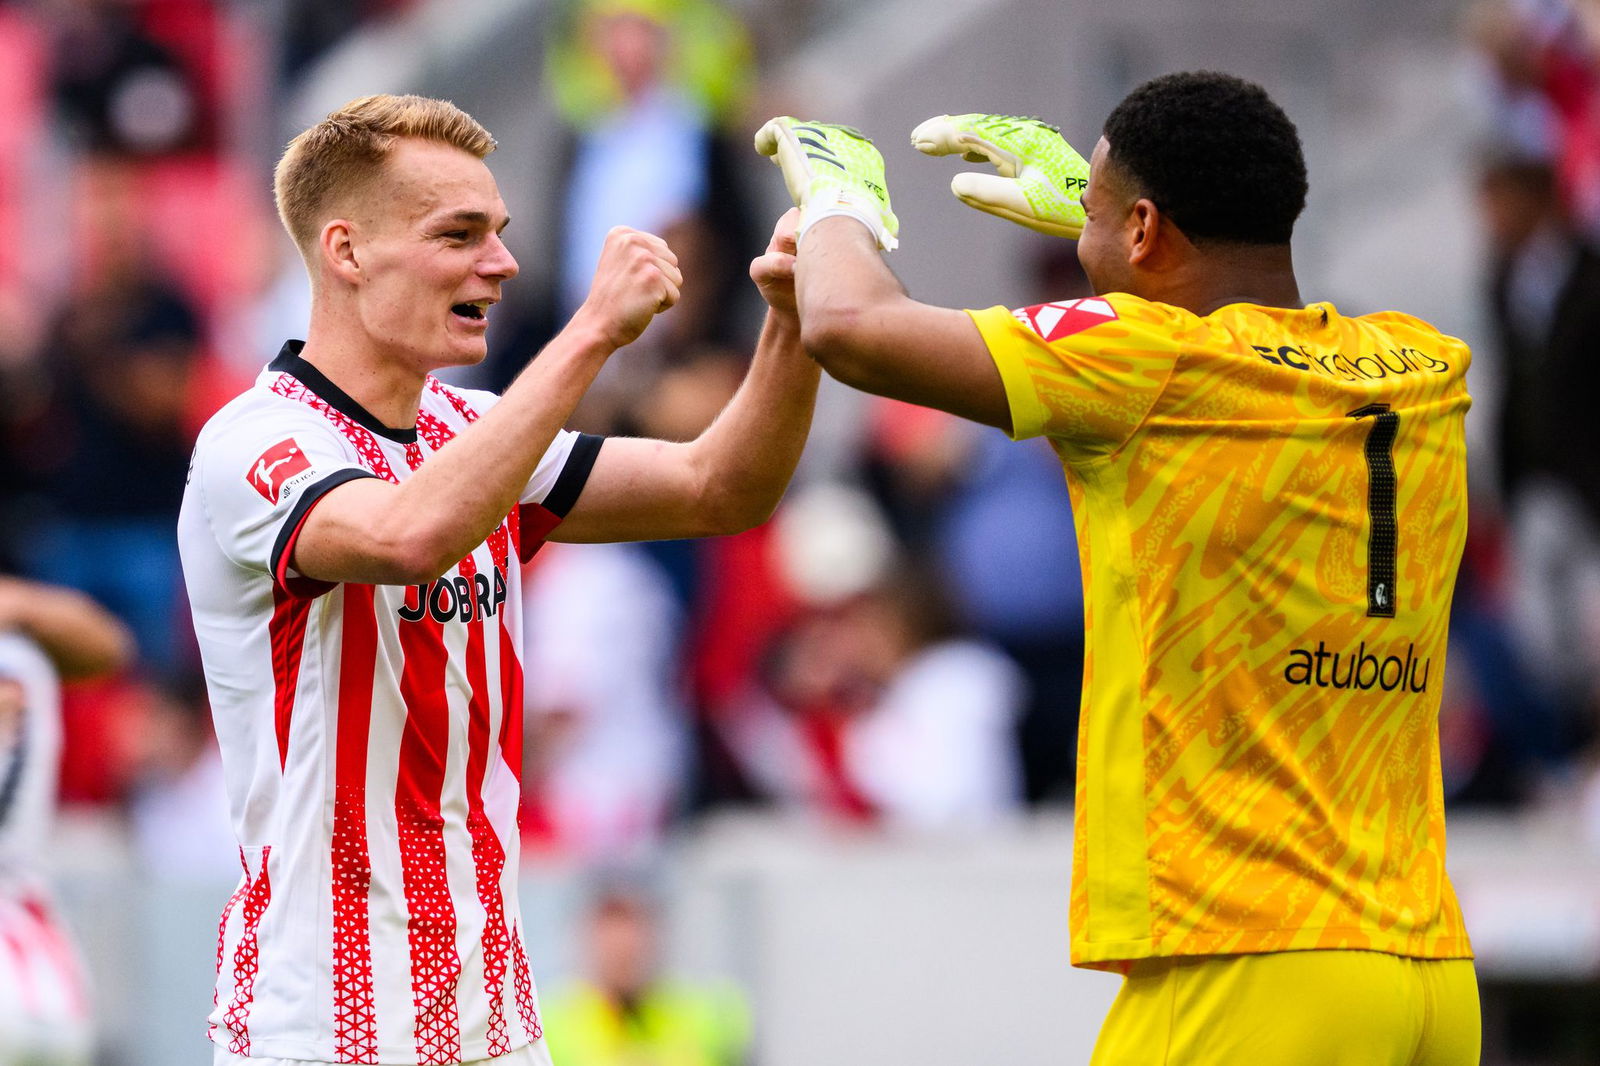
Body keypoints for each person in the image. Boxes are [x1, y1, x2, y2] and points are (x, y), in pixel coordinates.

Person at [756, 72, 1477, 1064]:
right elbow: (1250, 325)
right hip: (1429, 965)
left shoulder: (1148, 360)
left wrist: (839, 199)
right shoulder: (1421, 362)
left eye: (1090, 211)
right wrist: (1114, 231)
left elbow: (851, 327)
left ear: (1144, 231)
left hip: (1247, 961)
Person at [178, 94, 814, 1066]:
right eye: (459, 234)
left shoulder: (472, 430)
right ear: (346, 252)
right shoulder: (255, 442)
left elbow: (720, 485)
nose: (503, 263)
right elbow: (406, 533)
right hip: (324, 1024)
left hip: (493, 1017)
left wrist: (793, 315)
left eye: (502, 234)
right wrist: (591, 331)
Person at [0, 574, 134, 1065]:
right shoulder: (22, 641)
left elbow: (109, 647)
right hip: (45, 979)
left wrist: (22, 606)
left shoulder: (21, 625)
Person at [539, 885, 750, 1066]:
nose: (626, 945)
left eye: (635, 926)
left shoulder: (710, 1017)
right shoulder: (549, 1026)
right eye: (612, 930)